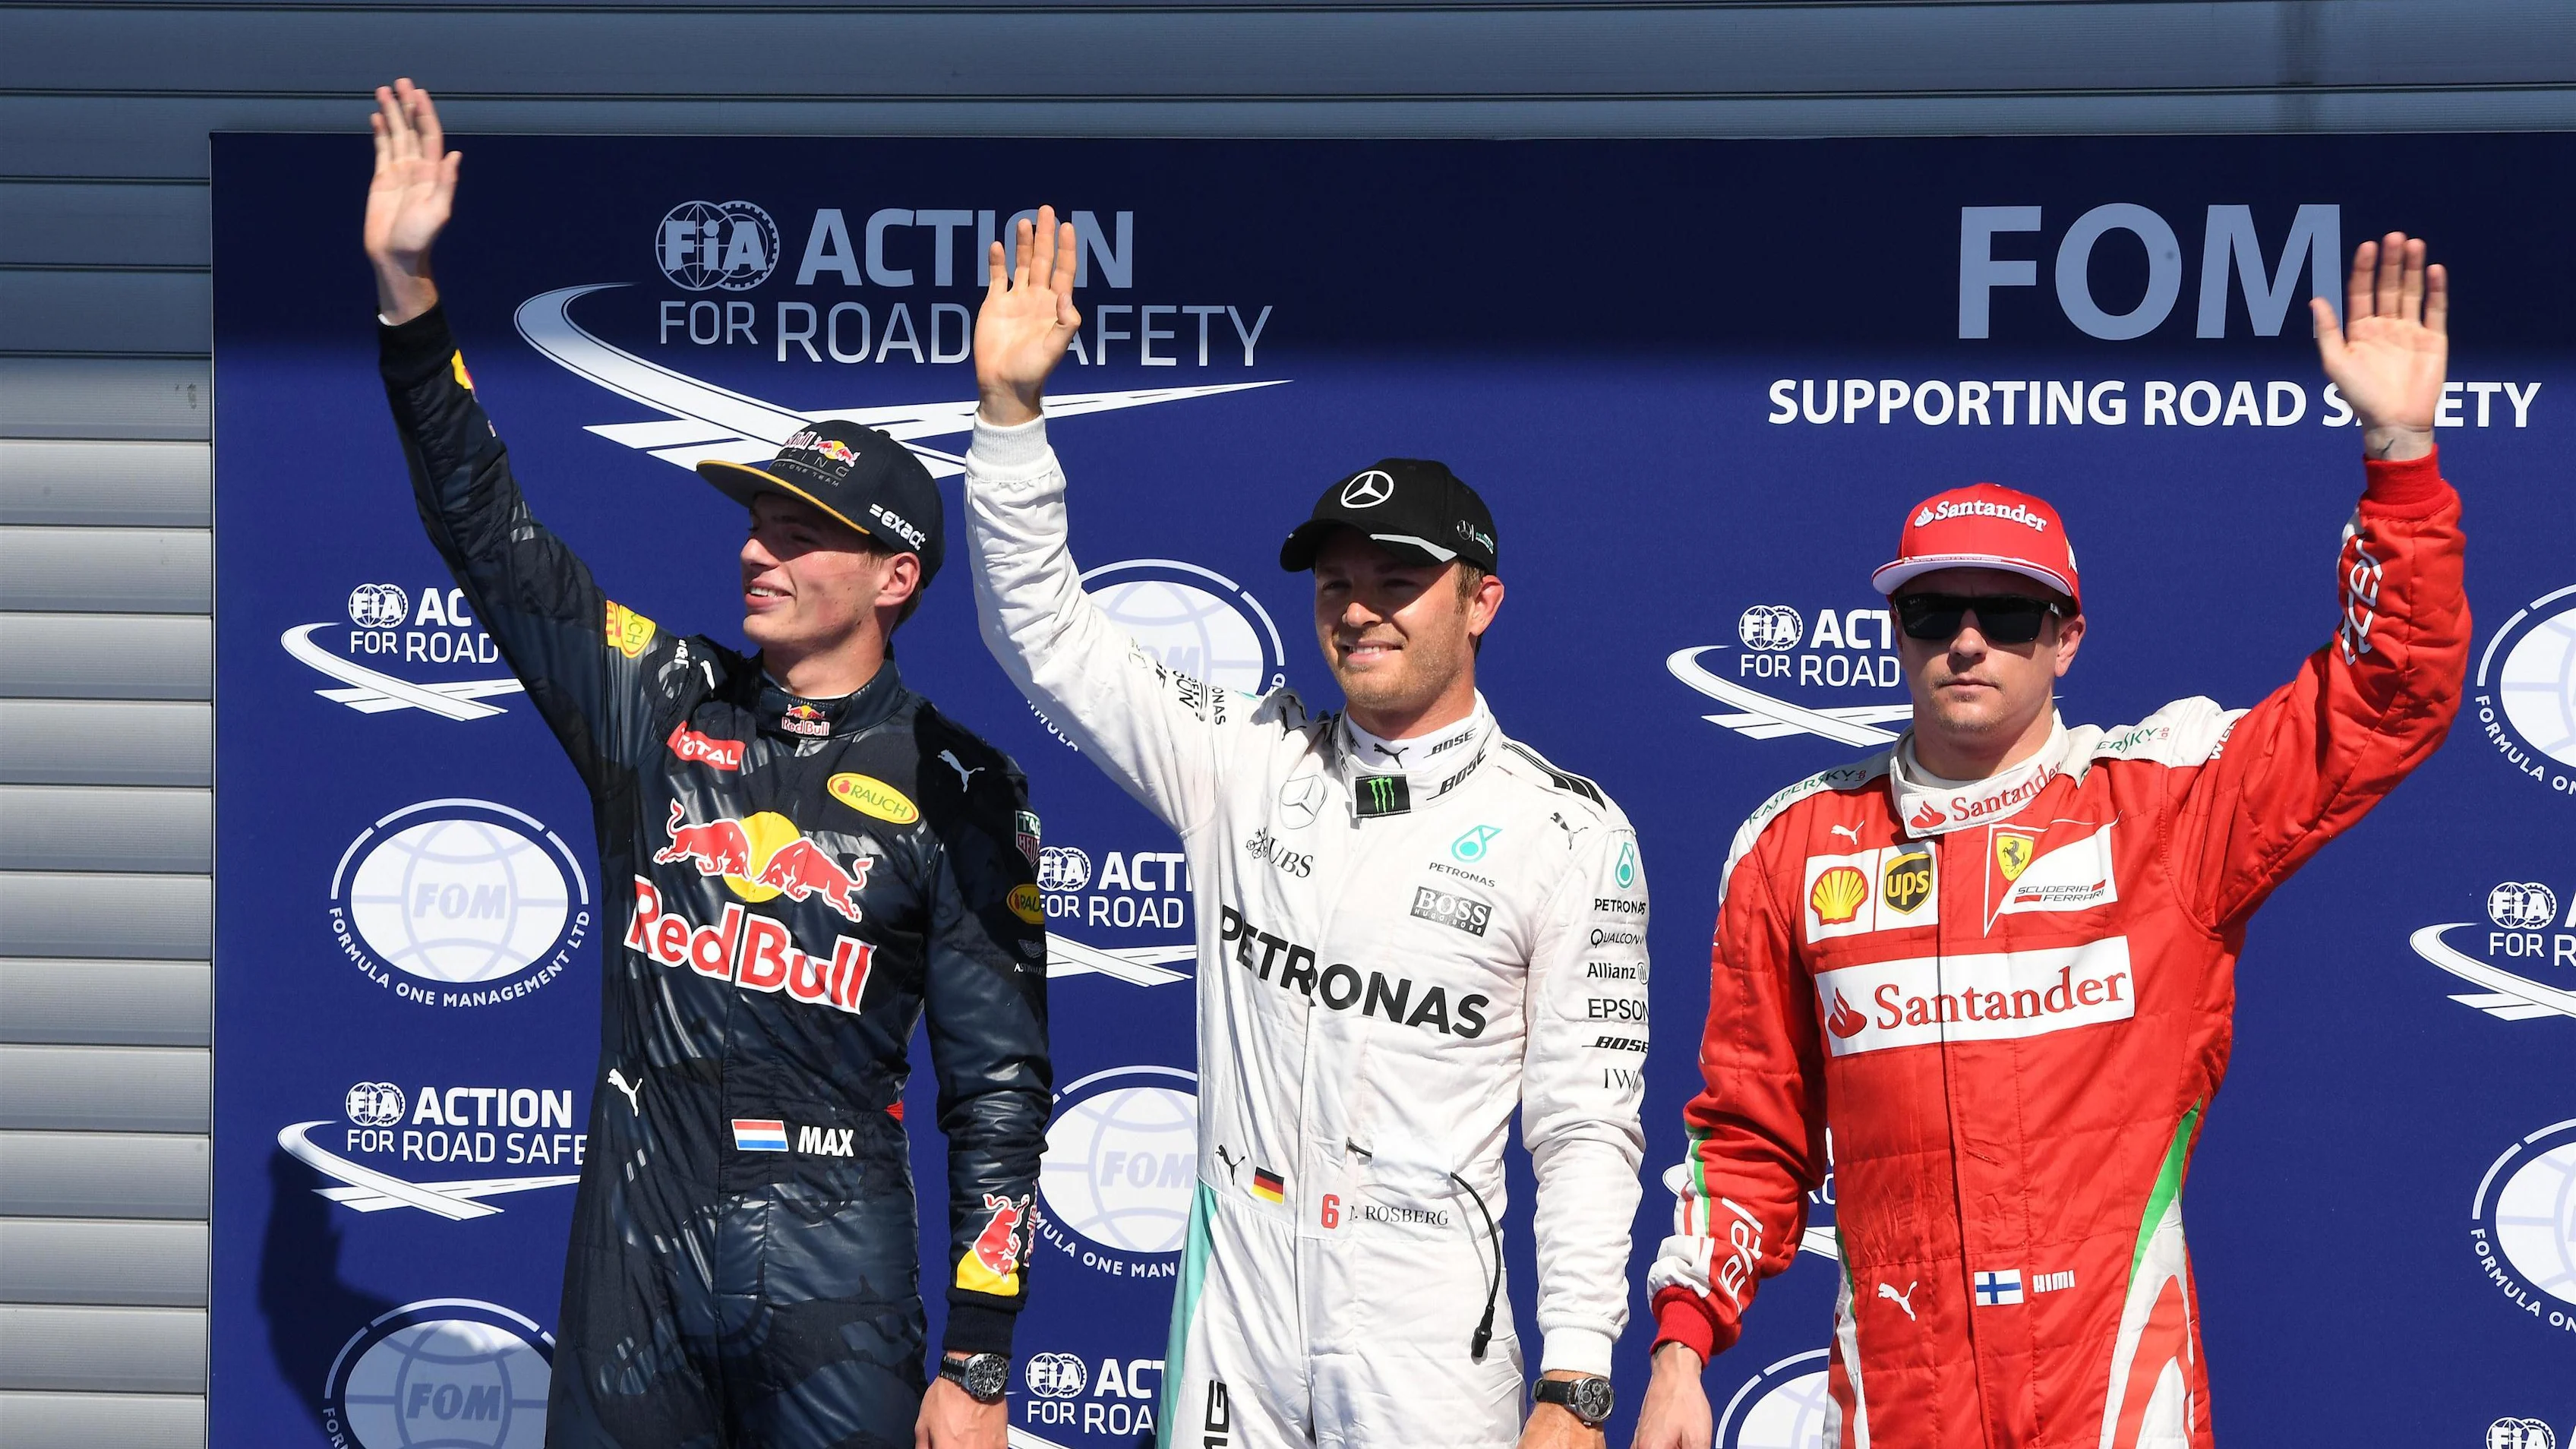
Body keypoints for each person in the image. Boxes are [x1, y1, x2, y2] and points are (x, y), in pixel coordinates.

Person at [1631, 234, 2467, 1449]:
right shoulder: (1796, 846)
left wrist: (2399, 460)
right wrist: (1680, 1353)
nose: (1967, 641)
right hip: (1895, 1412)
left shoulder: (2168, 806)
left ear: (2066, 639)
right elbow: (1751, 1138)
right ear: (1897, 631)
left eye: (2007, 614)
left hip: (2113, 1400)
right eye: (1932, 611)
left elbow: (2388, 698)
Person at [363, 80, 1050, 1449]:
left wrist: (979, 1356)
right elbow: (493, 541)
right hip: (637, 1241)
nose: (758, 549)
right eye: (755, 520)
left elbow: (1003, 1088)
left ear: (896, 577)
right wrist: (407, 298)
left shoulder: (960, 783)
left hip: (835, 1267)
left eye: (802, 533)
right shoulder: (656, 697)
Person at [961, 210, 1649, 1448]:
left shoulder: (1567, 832)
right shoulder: (1245, 758)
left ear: (1481, 600)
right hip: (1240, 1306)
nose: (1360, 611)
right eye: (1337, 583)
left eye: (1399, 581)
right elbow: (1045, 637)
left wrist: (1578, 1379)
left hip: (1435, 1330)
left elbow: (1587, 1125)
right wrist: (1012, 421)